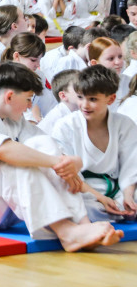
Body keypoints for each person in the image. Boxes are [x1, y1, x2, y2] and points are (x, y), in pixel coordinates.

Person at [0, 62, 123, 251]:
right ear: (9, 96)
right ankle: (66, 232)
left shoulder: (17, 122)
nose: (30, 106)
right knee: (13, 157)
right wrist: (56, 162)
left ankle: (82, 225)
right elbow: (3, 152)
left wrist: (91, 188)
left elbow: (52, 152)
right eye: (28, 99)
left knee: (43, 144)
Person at [50, 65, 137, 222]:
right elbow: (68, 173)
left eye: (93, 99)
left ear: (111, 99)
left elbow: (131, 166)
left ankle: (123, 208)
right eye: (80, 97)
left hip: (118, 190)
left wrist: (128, 195)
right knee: (73, 205)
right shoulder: (65, 126)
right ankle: (113, 213)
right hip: (84, 192)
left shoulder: (125, 125)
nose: (85, 105)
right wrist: (99, 197)